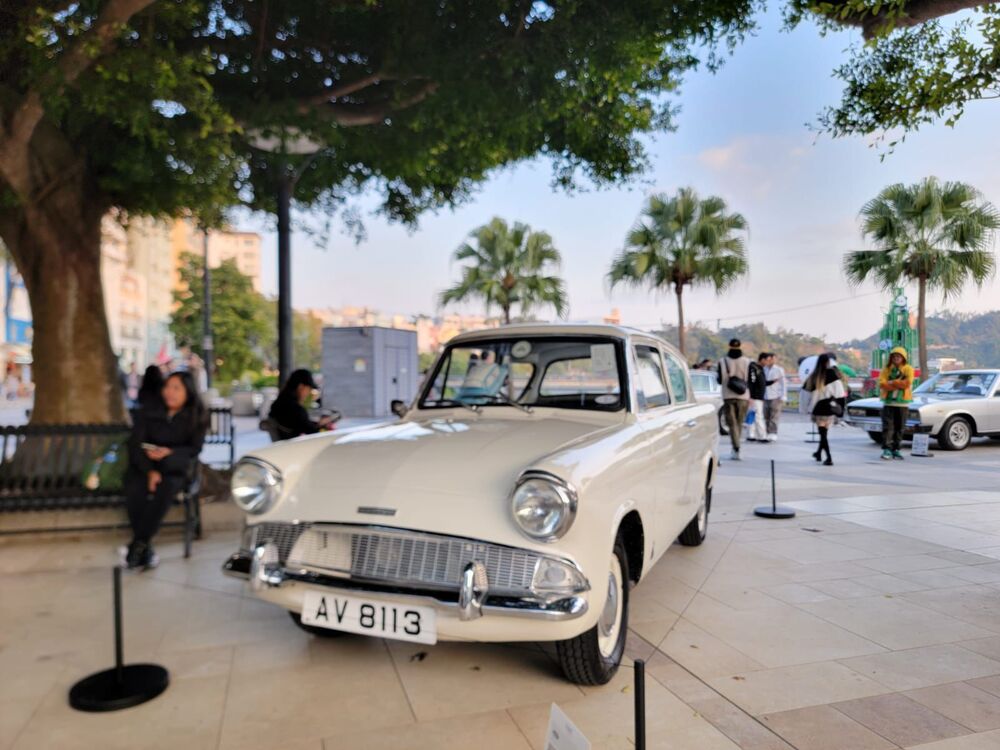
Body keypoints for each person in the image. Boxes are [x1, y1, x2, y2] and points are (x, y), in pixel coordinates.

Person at [123, 371, 207, 569]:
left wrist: (170, 452)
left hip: (174, 469)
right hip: (144, 466)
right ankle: (145, 546)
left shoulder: (197, 415)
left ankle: (139, 544)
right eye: (167, 387)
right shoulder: (149, 411)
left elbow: (194, 449)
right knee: (135, 488)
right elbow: (135, 444)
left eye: (176, 388)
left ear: (188, 391)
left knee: (166, 488)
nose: (170, 392)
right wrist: (150, 471)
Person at [804, 353, 846, 466]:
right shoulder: (833, 374)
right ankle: (818, 453)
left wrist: (804, 409)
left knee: (823, 435)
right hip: (830, 409)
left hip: (818, 409)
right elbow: (840, 393)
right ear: (828, 362)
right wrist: (841, 410)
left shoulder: (813, 376)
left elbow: (805, 395)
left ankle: (829, 458)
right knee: (824, 434)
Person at [267, 369, 334, 440]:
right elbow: (312, 431)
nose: (309, 393)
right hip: (293, 446)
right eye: (308, 389)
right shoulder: (295, 408)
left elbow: (301, 424)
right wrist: (322, 424)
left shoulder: (279, 404)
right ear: (301, 386)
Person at [716, 338, 751, 461]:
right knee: (739, 423)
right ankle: (737, 448)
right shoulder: (747, 361)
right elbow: (750, 380)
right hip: (744, 396)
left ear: (729, 346)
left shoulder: (722, 361)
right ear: (740, 346)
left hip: (728, 396)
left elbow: (719, 380)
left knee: (732, 424)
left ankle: (736, 448)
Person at [879, 346, 915, 460]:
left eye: (898, 356)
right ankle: (887, 449)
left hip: (903, 403)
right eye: (894, 356)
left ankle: (896, 449)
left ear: (903, 358)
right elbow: (882, 384)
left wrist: (892, 382)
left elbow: (907, 384)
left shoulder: (908, 369)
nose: (896, 358)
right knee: (887, 427)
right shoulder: (886, 369)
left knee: (900, 428)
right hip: (888, 403)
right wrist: (899, 383)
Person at [763, 353, 786, 442]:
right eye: (768, 359)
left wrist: (783, 395)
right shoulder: (764, 369)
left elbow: (783, 383)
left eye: (772, 359)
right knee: (766, 416)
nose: (770, 361)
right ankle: (767, 432)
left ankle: (773, 433)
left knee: (774, 416)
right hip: (765, 395)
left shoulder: (779, 370)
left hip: (776, 395)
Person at [746, 353, 768, 442]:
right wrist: (750, 396)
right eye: (767, 360)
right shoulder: (753, 368)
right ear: (762, 359)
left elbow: (762, 383)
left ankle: (751, 434)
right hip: (755, 397)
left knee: (753, 415)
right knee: (758, 416)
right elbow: (751, 382)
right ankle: (762, 436)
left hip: (759, 397)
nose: (767, 362)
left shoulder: (760, 369)